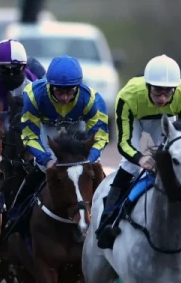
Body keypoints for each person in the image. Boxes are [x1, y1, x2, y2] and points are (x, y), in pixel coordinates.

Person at [94, 54, 181, 249]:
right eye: (157, 92)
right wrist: (140, 159)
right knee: (130, 166)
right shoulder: (127, 97)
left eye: (168, 92)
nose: (163, 98)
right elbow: (123, 142)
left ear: (176, 89)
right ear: (148, 86)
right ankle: (108, 220)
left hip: (167, 121)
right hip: (137, 119)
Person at [6, 55, 109, 233]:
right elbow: (30, 135)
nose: (64, 97)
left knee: (91, 169)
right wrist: (45, 160)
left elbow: (99, 136)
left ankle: (108, 213)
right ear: (48, 86)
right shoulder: (33, 95)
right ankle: (16, 216)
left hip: (77, 127)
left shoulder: (91, 99)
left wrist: (89, 158)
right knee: (40, 169)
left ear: (78, 88)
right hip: (48, 129)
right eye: (59, 91)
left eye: (70, 92)